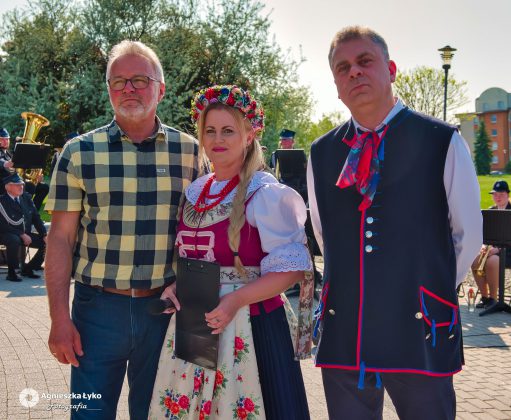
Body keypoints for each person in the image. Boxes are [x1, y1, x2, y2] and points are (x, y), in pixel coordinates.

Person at [307, 26, 482, 420]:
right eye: (342, 68)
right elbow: (324, 234)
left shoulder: (442, 139)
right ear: (336, 85)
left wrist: (429, 289)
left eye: (364, 61)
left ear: (391, 69)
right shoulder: (321, 152)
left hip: (420, 326)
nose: (354, 72)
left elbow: (467, 235)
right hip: (345, 329)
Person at [44, 40, 198, 419]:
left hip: (165, 311)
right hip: (96, 313)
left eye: (140, 80)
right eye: (118, 81)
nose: (128, 89)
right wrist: (59, 320)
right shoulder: (78, 153)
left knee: (158, 414)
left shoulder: (192, 153)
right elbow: (60, 239)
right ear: (109, 89)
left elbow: (203, 237)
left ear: (161, 89)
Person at [149, 85, 313, 420]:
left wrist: (236, 299)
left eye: (228, 130)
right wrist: (179, 286)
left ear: (249, 136)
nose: (217, 139)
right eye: (210, 131)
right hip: (197, 325)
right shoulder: (197, 191)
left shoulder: (264, 193)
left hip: (252, 326)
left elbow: (292, 270)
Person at [471, 180, 511, 309]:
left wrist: (498, 250)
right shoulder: (490, 211)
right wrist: (483, 246)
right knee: (475, 261)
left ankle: (494, 299)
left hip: (508, 253)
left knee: (492, 261)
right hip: (492, 251)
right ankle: (485, 297)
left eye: (501, 194)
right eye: (495, 194)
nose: (498, 197)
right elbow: (484, 235)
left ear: (508, 194)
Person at [0, 173, 47, 281]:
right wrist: (21, 234)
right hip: (5, 233)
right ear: (8, 187)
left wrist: (44, 234)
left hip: (25, 233)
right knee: (14, 240)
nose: (21, 186)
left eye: (21, 184)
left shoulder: (26, 197)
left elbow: (36, 217)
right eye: (17, 185)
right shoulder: (2, 201)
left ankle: (28, 268)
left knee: (46, 242)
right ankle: (12, 273)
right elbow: (2, 225)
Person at [0, 127, 49, 210]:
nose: (5, 141)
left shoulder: (9, 153)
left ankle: (32, 213)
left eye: (7, 139)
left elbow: (19, 172)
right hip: (4, 185)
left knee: (44, 187)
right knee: (30, 186)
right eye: (2, 139)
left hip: (16, 182)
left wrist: (35, 178)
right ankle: (26, 213)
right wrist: (5, 163)